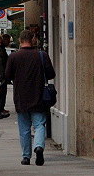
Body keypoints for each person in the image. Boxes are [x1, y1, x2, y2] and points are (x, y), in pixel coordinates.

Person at [4, 29, 56, 166]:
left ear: (20, 41)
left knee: (24, 128)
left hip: (21, 97)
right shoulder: (41, 55)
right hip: (39, 96)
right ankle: (39, 146)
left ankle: (26, 156)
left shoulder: (14, 57)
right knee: (39, 125)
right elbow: (51, 74)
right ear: (32, 39)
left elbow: (7, 75)